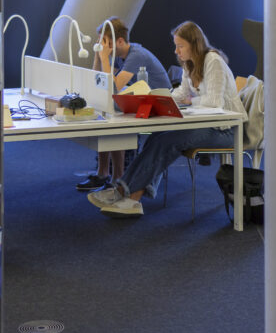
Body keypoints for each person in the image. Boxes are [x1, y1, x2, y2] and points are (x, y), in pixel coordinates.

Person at [87, 20, 248, 218]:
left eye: (180, 46)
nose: (176, 51)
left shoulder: (212, 61)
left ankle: (127, 194)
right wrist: (157, 100)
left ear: (194, 45)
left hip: (227, 130)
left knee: (169, 140)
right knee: (158, 136)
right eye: (176, 46)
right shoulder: (191, 64)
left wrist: (191, 101)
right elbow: (181, 93)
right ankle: (127, 190)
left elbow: (214, 102)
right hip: (208, 125)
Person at [75, 16, 171, 192]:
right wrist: (98, 56)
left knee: (111, 115)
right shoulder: (119, 55)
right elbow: (97, 82)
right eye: (100, 42)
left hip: (159, 104)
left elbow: (111, 88)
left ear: (119, 41)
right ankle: (103, 173)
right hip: (138, 101)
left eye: (104, 42)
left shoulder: (136, 56)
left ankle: (116, 178)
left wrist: (105, 58)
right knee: (105, 111)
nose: (101, 45)